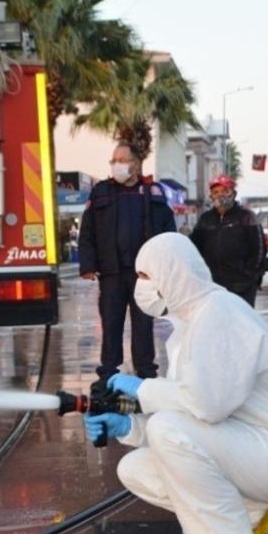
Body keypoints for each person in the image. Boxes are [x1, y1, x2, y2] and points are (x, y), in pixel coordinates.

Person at [84, 233, 268, 534]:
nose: (140, 286)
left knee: (167, 430)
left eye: (145, 276)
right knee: (135, 468)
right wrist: (128, 427)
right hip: (255, 447)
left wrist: (142, 389)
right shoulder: (188, 326)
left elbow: (205, 405)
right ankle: (254, 515)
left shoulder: (219, 313)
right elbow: (187, 414)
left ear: (172, 273)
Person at [78, 142, 176, 381]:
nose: (116, 165)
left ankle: (145, 372)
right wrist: (88, 265)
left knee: (143, 324)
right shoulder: (101, 191)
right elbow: (87, 230)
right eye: (114, 161)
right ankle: (109, 373)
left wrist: (164, 268)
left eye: (122, 160)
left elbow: (167, 231)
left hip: (143, 274)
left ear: (136, 164)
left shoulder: (153, 191)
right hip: (111, 272)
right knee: (111, 323)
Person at [190, 174, 266, 306]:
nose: (220, 195)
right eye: (216, 192)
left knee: (240, 318)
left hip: (242, 286)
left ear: (233, 193)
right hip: (212, 286)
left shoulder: (247, 217)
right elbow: (194, 247)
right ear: (211, 196)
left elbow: (259, 249)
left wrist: (249, 275)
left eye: (225, 191)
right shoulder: (205, 219)